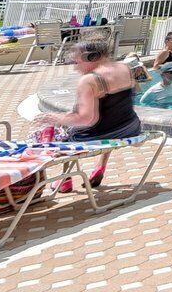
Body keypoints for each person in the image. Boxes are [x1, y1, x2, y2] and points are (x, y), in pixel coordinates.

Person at [34, 39, 141, 192]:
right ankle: (100, 166)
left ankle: (65, 178)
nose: (76, 68)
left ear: (92, 57)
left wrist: (55, 118)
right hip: (130, 128)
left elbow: (87, 119)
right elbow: (118, 106)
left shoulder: (89, 80)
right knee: (106, 116)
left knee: (57, 134)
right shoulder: (125, 68)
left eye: (77, 62)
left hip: (103, 135)